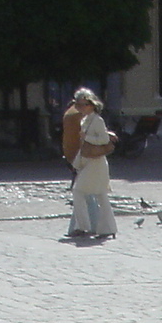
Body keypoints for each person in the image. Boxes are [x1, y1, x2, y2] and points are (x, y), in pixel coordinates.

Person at [67, 90, 117, 241]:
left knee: (80, 191)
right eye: (77, 104)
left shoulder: (97, 120)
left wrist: (87, 137)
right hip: (90, 162)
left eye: (82, 105)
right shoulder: (86, 120)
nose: (79, 107)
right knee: (99, 194)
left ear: (91, 105)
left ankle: (84, 227)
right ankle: (106, 229)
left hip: (96, 163)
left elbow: (103, 140)